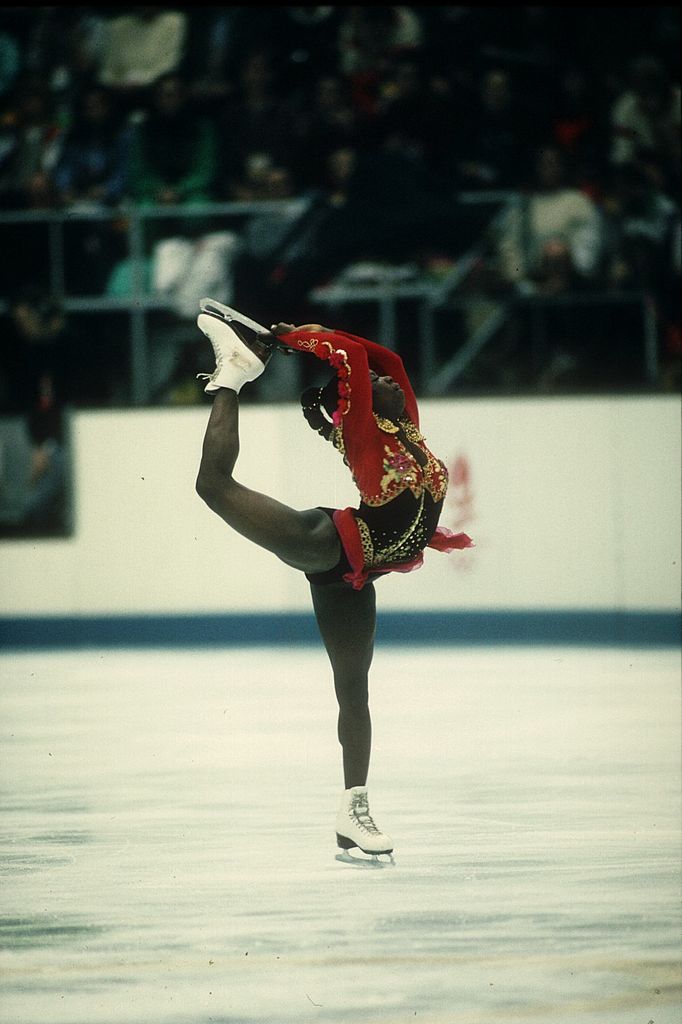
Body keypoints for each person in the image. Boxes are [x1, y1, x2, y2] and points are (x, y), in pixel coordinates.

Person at [194, 299, 473, 862]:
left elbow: (386, 357)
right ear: (354, 405)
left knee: (354, 690)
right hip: (326, 540)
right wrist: (299, 337)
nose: (379, 382)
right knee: (213, 486)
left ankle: (354, 809)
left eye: (378, 384)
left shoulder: (404, 426)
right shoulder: (366, 430)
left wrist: (314, 335)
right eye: (367, 385)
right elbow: (347, 358)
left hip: (356, 572)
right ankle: (231, 376)